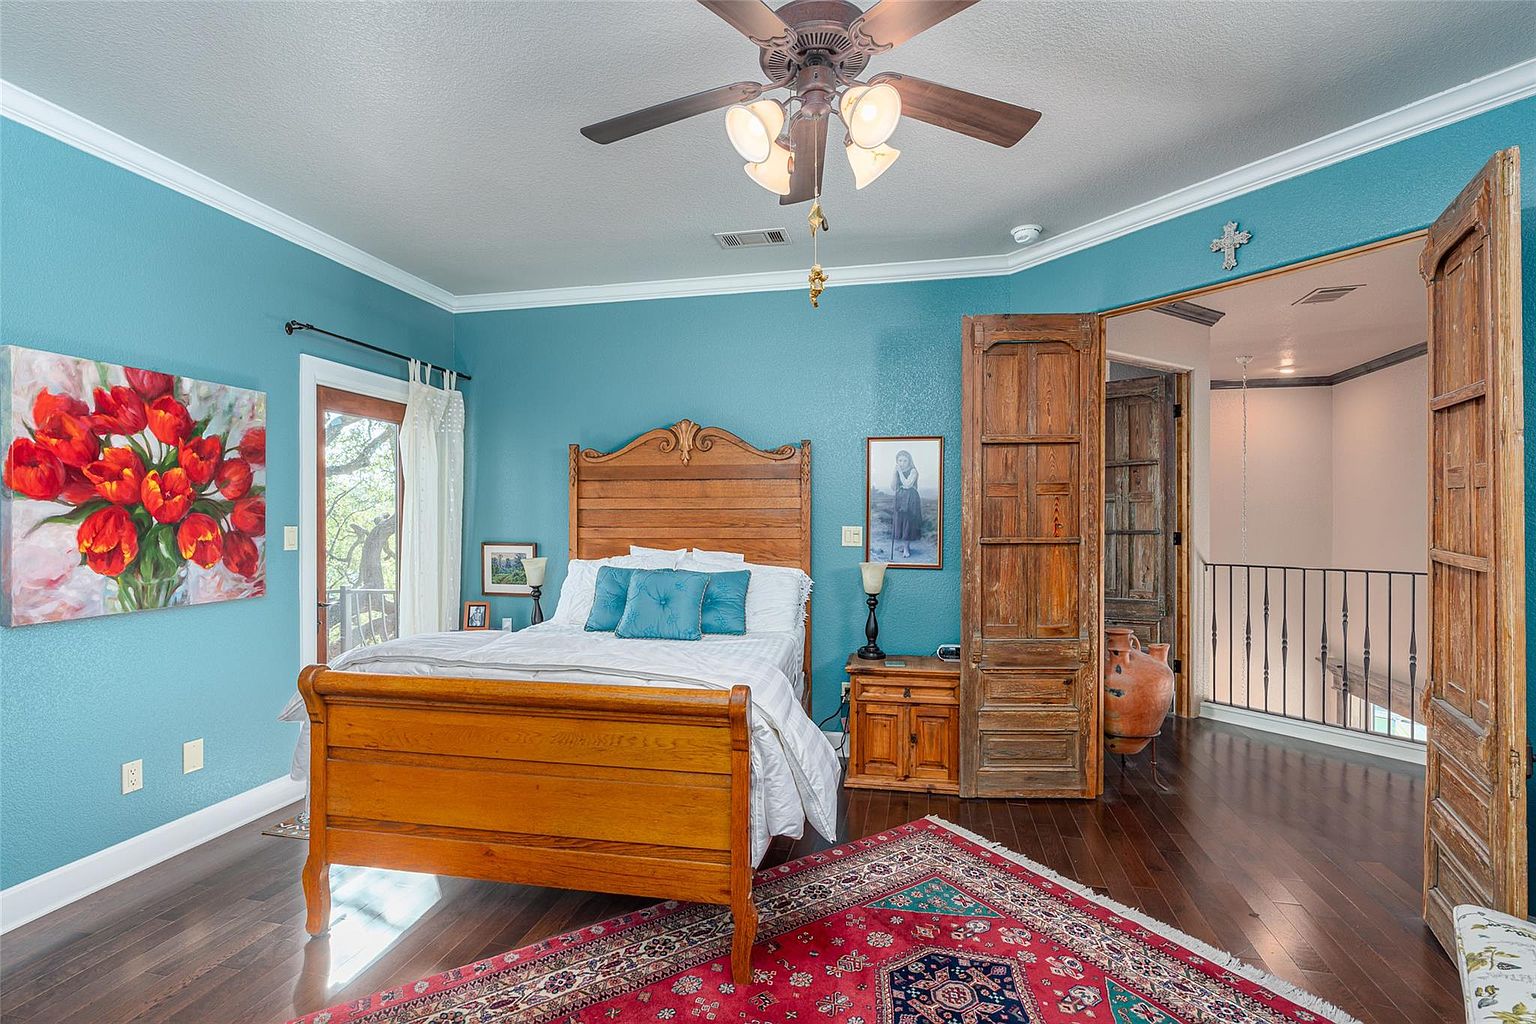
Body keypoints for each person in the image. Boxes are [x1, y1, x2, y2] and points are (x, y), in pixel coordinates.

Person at [890, 449, 923, 559]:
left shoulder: (913, 471)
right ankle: (904, 546)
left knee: (908, 522)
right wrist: (894, 473)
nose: (902, 463)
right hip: (900, 497)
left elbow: (907, 484)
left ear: (909, 461)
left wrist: (899, 472)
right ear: (897, 461)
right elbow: (893, 487)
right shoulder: (898, 471)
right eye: (900, 460)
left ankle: (906, 548)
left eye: (905, 461)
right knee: (901, 521)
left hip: (911, 498)